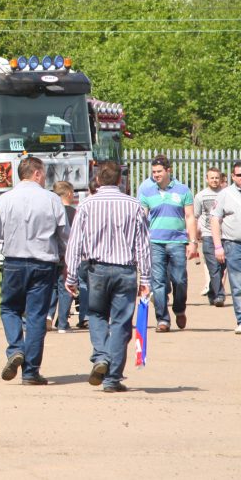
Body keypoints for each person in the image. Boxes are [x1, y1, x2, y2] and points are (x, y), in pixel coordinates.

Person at [65, 161, 151, 393]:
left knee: (96, 314)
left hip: (97, 270)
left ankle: (101, 356)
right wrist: (146, 280)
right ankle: (112, 378)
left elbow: (75, 244)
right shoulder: (134, 205)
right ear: (120, 180)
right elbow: (142, 245)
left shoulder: (86, 205)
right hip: (126, 271)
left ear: (99, 180)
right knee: (122, 322)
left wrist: (71, 276)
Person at [0, 156, 69, 385]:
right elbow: (64, 235)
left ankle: (15, 349)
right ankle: (30, 372)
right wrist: (65, 258)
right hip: (44, 263)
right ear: (37, 173)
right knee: (36, 316)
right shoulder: (52, 200)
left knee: (9, 308)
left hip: (14, 262)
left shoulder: (5, 199)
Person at [137, 154, 199, 332]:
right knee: (158, 282)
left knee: (179, 279)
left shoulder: (182, 190)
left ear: (168, 171)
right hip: (155, 242)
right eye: (154, 172)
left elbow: (189, 217)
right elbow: (141, 218)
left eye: (159, 171)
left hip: (177, 241)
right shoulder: (147, 192)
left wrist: (193, 242)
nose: (156, 175)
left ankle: (179, 309)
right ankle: (162, 320)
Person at [210, 162, 241, 335]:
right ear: (232, 176)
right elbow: (215, 219)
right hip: (233, 244)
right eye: (238, 175)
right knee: (237, 283)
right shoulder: (225, 194)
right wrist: (217, 246)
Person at [47, 181, 77, 333]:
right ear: (69, 194)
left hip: (51, 253)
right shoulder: (73, 212)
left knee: (52, 287)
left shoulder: (50, 210)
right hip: (67, 254)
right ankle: (63, 323)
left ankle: (48, 316)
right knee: (65, 288)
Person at [195, 167, 226, 306]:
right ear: (207, 179)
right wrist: (196, 235)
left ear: (221, 179)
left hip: (225, 235)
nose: (214, 180)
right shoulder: (200, 196)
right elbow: (195, 216)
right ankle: (219, 295)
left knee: (222, 266)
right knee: (213, 266)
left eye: (216, 178)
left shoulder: (226, 194)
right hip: (207, 236)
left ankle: (212, 292)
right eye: (211, 178)